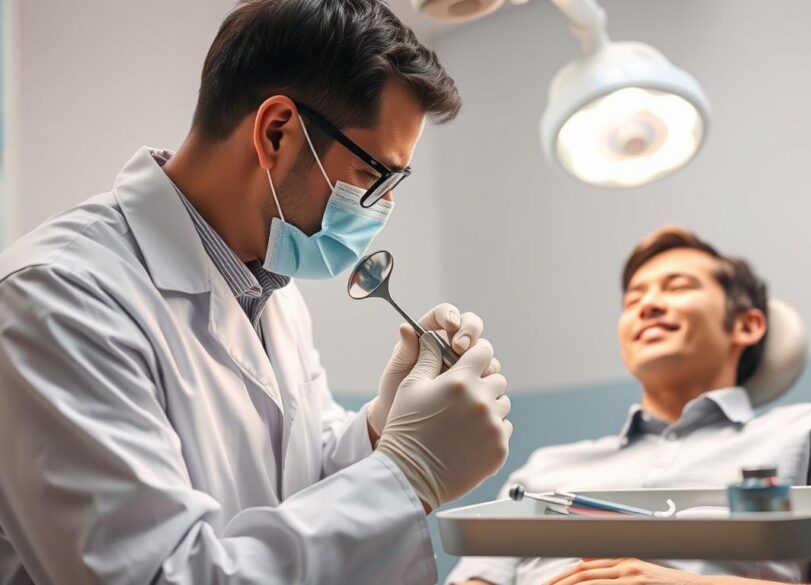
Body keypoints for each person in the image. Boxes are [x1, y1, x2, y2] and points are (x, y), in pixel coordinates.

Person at [0, 1, 512, 583]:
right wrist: (407, 473)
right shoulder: (57, 299)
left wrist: (379, 430)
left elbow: (297, 481)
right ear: (277, 132)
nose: (384, 207)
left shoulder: (272, 292)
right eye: (374, 175)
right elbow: (156, 575)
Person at [447, 226, 811, 585]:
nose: (648, 304)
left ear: (747, 325)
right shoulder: (544, 471)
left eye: (678, 286)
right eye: (634, 297)